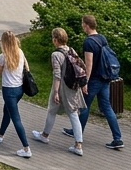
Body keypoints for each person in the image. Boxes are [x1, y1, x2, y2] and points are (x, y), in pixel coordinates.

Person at [73, 14, 124, 150]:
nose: (82, 26)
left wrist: (85, 82)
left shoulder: (88, 42)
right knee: (107, 107)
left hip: (94, 79)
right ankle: (117, 138)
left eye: (82, 24)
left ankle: (78, 134)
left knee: (84, 107)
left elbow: (88, 65)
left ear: (86, 25)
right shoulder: (102, 38)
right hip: (105, 78)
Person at [32, 27, 85, 156]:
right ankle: (78, 144)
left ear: (55, 40)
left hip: (62, 87)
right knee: (73, 113)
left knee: (52, 110)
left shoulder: (56, 54)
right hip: (73, 87)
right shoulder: (71, 50)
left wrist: (56, 92)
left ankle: (45, 136)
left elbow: (57, 75)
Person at [0, 30, 32, 158]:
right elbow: (27, 68)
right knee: (7, 111)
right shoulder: (20, 52)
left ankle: (26, 148)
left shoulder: (3, 56)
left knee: (16, 118)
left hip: (9, 91)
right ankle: (0, 134)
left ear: (4, 42)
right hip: (19, 90)